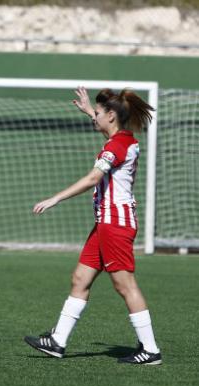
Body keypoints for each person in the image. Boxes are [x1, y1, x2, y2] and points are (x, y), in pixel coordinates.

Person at [24, 87, 162, 365]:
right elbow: (107, 133)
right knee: (80, 279)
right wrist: (90, 110)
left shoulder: (117, 145)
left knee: (125, 285)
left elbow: (91, 179)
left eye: (98, 114)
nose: (94, 118)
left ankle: (150, 349)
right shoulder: (123, 139)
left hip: (115, 224)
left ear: (111, 115)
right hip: (105, 223)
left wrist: (55, 198)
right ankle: (57, 341)